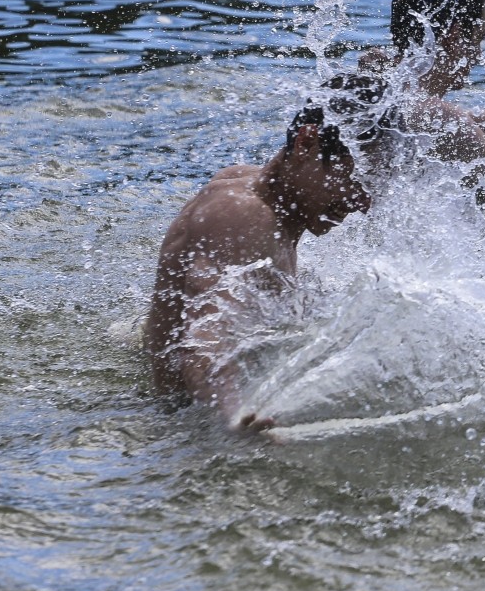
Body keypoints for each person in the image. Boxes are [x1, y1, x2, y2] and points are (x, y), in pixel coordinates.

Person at [144, 106, 371, 431]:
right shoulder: (243, 216)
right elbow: (204, 338)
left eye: (372, 186)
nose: (363, 203)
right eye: (355, 179)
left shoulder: (276, 211)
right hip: (178, 428)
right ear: (306, 143)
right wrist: (235, 413)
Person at [358, 0, 485, 164]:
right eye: (477, 39)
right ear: (454, 38)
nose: (479, 55)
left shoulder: (372, 96)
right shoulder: (444, 119)